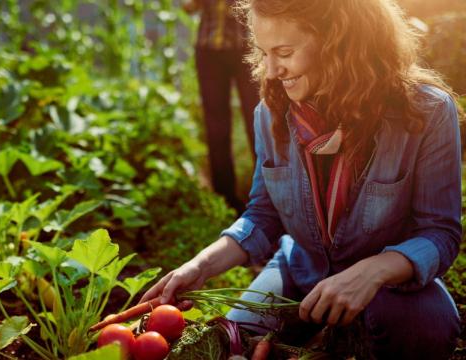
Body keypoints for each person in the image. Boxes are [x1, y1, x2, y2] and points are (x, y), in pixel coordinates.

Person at [141, 0, 462, 358]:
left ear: (338, 42)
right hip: (300, 270)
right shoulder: (270, 112)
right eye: (263, 53)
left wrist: (373, 272)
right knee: (236, 340)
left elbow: (440, 233)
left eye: (284, 52)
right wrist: (201, 265)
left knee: (430, 331)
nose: (272, 70)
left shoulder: (426, 113)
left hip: (390, 284)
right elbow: (264, 214)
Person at [184, 0, 261, 213]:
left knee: (257, 121)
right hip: (208, 50)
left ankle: (267, 196)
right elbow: (187, 6)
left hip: (246, 47)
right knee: (216, 127)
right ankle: (225, 200)